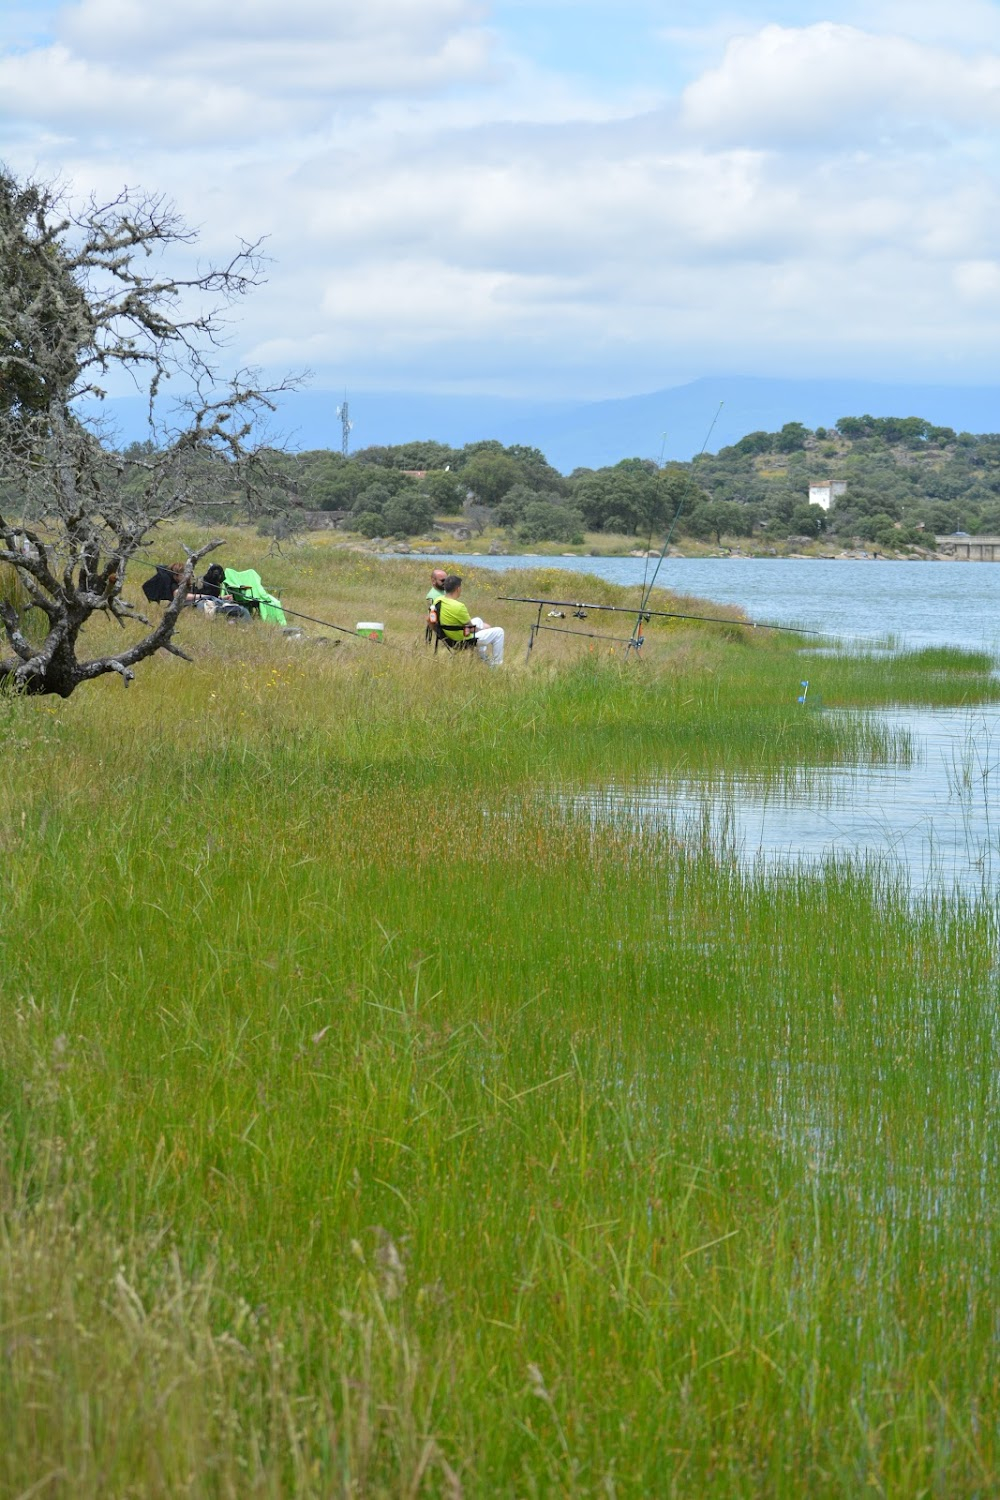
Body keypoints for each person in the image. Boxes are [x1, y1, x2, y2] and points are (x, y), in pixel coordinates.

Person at [437, 574, 505, 665]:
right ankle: (497, 665)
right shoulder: (459, 606)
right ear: (458, 589)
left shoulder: (438, 600)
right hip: (462, 640)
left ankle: (482, 658)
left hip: (449, 636)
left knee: (478, 620)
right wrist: (484, 629)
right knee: (499, 632)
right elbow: (472, 629)